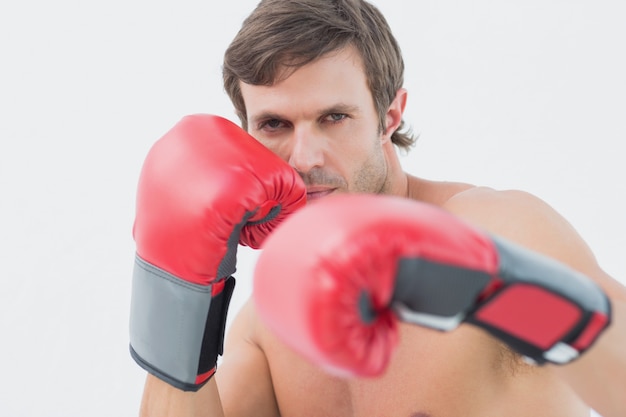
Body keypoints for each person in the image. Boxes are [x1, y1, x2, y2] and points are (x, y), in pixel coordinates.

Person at [130, 1, 626, 416]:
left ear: (390, 115)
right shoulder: (267, 328)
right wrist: (176, 287)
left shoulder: (494, 230)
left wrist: (508, 294)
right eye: (275, 125)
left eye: (334, 117)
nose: (304, 159)